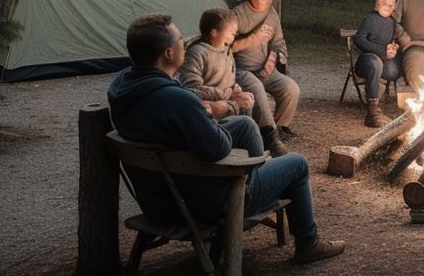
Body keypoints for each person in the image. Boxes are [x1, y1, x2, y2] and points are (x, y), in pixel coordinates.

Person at [107, 13, 345, 263]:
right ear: (168, 53)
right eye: (180, 40)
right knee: (297, 163)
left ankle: (254, 182)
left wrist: (212, 111)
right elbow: (218, 147)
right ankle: (308, 243)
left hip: (158, 199)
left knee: (244, 124)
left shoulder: (123, 88)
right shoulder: (178, 102)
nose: (185, 44)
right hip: (200, 205)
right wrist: (214, 111)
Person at [178, 8, 288, 156]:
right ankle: (250, 155)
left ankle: (255, 144)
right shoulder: (198, 53)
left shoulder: (226, 50)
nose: (234, 36)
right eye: (231, 32)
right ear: (214, 32)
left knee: (248, 99)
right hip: (207, 111)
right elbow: (191, 89)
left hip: (226, 101)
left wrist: (236, 90)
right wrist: (223, 94)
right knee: (242, 113)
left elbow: (228, 77)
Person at [231, 0, 301, 136]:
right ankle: (267, 132)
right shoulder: (237, 14)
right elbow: (227, 47)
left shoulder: (271, 13)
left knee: (291, 88)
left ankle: (280, 126)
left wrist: (276, 57)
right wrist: (252, 39)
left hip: (265, 69)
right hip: (242, 71)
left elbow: (278, 41)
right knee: (257, 88)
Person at [354, 0, 406, 127]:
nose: (387, 6)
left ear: (394, 7)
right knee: (376, 62)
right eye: (384, 2)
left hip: (383, 61)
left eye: (391, 4)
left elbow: (393, 41)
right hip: (366, 61)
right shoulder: (370, 19)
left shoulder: (392, 23)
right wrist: (382, 50)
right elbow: (359, 39)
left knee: (394, 70)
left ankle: (382, 91)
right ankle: (372, 108)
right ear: (376, 4)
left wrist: (393, 48)